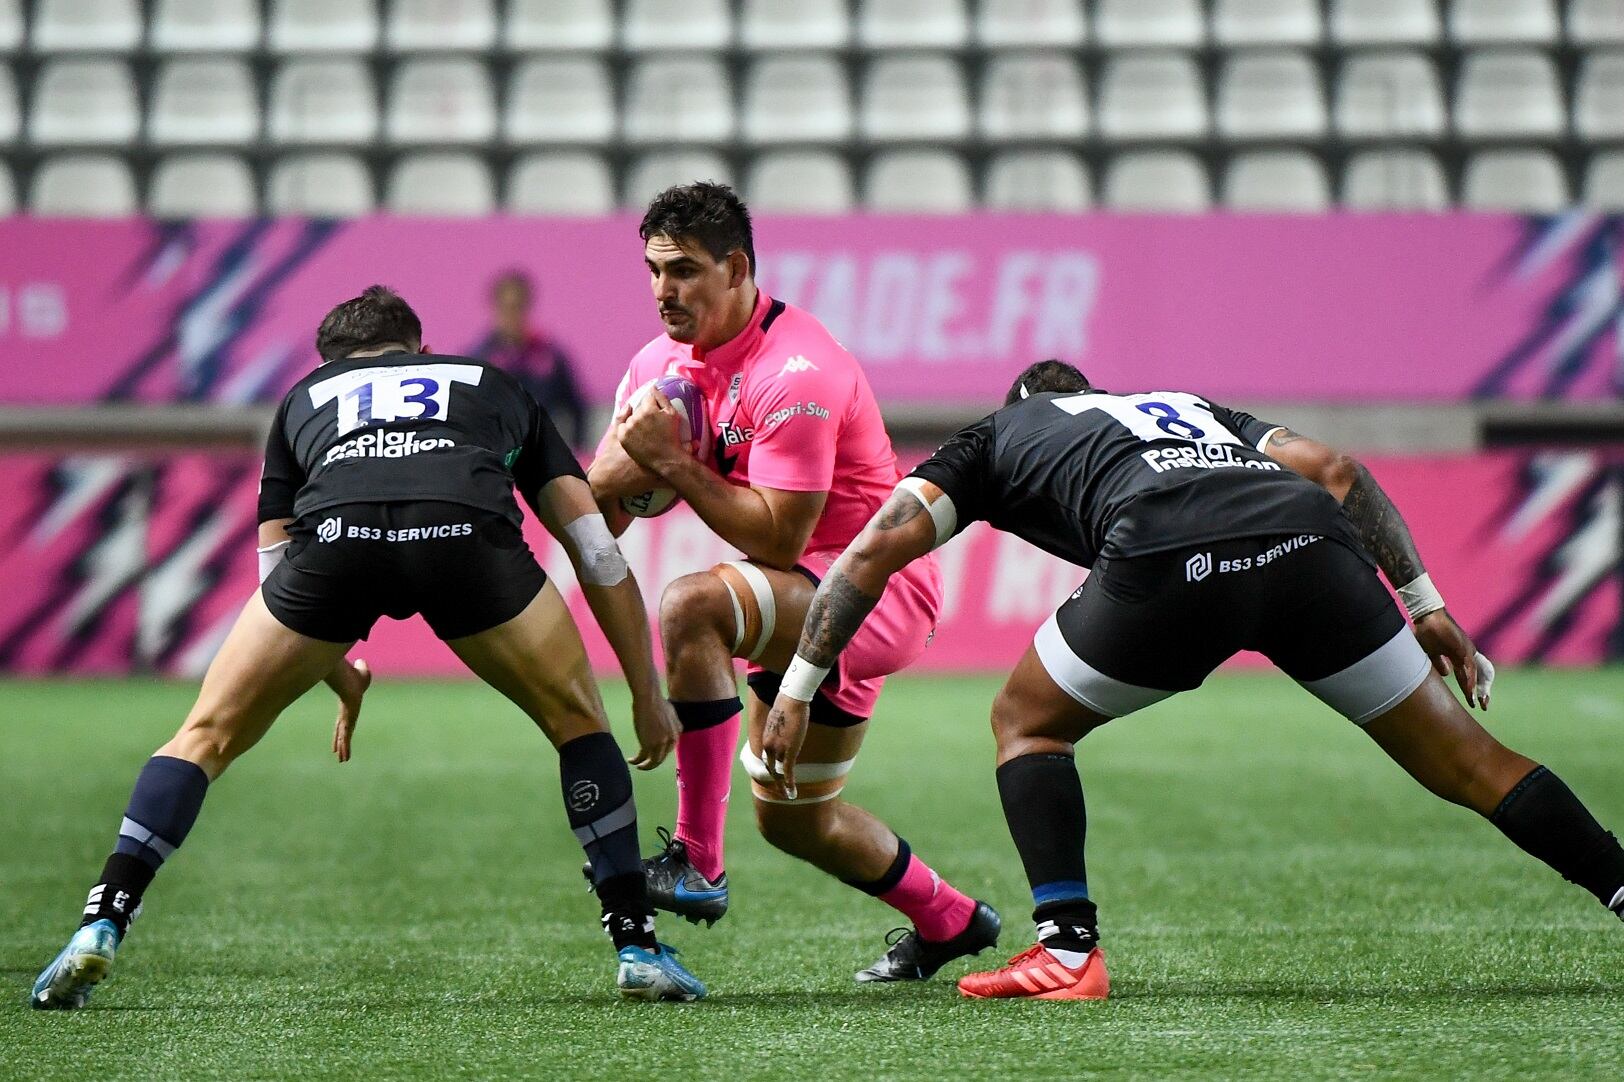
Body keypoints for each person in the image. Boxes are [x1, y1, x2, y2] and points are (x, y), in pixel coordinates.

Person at [763, 359, 1624, 1001]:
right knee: (1472, 761)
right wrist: (1425, 603)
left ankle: (1067, 949)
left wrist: (798, 689)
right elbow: (1336, 471)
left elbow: (873, 549)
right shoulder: (1183, 406)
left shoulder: (996, 435)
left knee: (1027, 721)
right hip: (1309, 543)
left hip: (1173, 552)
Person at [30, 285, 706, 1009]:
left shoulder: (302, 399)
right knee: (579, 725)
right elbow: (595, 550)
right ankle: (636, 946)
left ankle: (100, 923)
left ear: (334, 363)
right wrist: (643, 690)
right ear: (419, 347)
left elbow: (275, 574)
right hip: (465, 537)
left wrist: (334, 666)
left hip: (336, 544)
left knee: (203, 736)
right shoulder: (490, 381)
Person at [589, 183, 1000, 982]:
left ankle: (697, 860)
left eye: (684, 271)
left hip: (875, 590)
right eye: (653, 270)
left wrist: (671, 462)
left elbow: (782, 534)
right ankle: (952, 920)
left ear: (737, 267)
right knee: (796, 822)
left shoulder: (799, 369)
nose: (664, 291)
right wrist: (620, 476)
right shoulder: (654, 365)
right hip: (787, 594)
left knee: (692, 605)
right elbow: (602, 516)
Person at [472, 270, 588, 448]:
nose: (512, 316)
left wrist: (578, 450)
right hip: (494, 453)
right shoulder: (478, 360)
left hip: (540, 450)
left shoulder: (551, 357)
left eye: (517, 307)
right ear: (495, 307)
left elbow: (577, 407)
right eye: (506, 307)